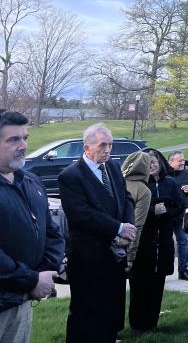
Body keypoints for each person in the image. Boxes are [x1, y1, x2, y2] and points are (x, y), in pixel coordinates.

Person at [58, 123, 136, 343]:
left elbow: (126, 199)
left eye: (110, 145)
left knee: (111, 307)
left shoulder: (112, 167)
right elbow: (81, 214)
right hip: (88, 256)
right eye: (103, 145)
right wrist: (118, 228)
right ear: (86, 148)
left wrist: (127, 226)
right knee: (85, 310)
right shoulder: (71, 176)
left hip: (114, 254)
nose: (108, 150)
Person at [0, 111, 64, 343]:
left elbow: (52, 233)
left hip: (22, 301)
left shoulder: (31, 181)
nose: (23, 145)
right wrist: (32, 280)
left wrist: (42, 277)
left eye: (25, 137)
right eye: (13, 139)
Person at [127, 148, 184, 333]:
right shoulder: (138, 185)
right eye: (147, 162)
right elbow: (132, 211)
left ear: (161, 164)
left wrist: (167, 211)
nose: (151, 165)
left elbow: (181, 205)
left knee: (157, 285)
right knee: (139, 285)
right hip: (142, 242)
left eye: (154, 162)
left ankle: (152, 324)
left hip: (163, 241)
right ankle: (137, 324)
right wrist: (152, 211)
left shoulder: (170, 183)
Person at [120, 151, 152, 269]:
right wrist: (131, 256)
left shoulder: (116, 182)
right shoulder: (143, 191)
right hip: (124, 245)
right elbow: (137, 225)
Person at [168, 150, 188, 281]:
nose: (183, 163)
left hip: (181, 214)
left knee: (183, 241)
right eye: (179, 161)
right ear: (171, 162)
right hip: (166, 213)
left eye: (183, 160)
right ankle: (163, 269)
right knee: (166, 243)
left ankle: (183, 270)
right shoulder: (166, 174)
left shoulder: (187, 173)